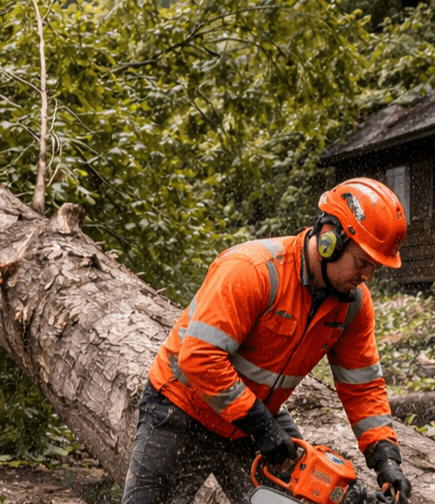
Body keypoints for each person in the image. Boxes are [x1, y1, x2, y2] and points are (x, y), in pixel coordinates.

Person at [121, 177, 413, 504]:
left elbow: (362, 385)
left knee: (305, 496)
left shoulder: (353, 304)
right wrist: (261, 426)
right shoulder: (253, 270)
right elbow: (199, 358)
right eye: (362, 263)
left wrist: (385, 456)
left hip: (254, 415)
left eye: (375, 268)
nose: (367, 277)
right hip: (181, 407)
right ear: (330, 239)